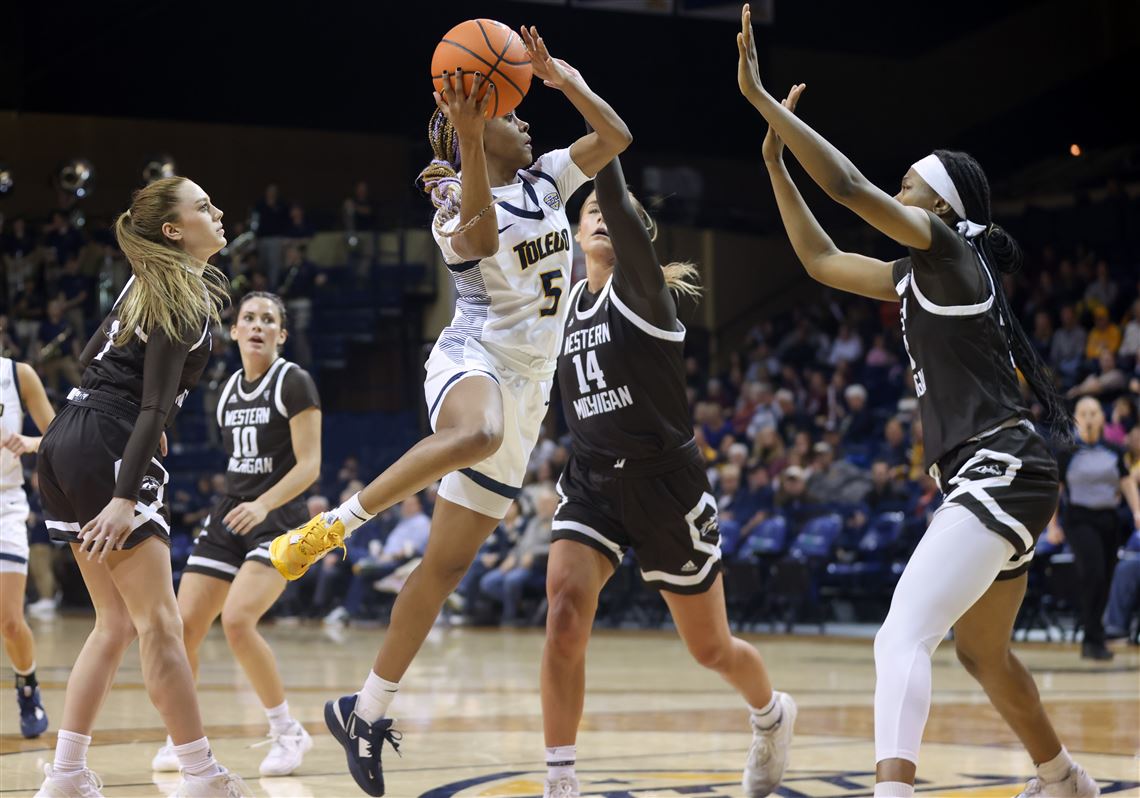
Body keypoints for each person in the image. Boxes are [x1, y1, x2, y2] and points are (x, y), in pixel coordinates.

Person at [736, 9, 1098, 796]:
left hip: (998, 468)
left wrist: (765, 101)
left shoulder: (950, 251)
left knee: (902, 633)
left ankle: (893, 790)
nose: (894, 197)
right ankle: (1066, 779)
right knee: (983, 654)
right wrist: (775, 163)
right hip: (1005, 471)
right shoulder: (916, 276)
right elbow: (824, 259)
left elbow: (849, 187)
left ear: (936, 208)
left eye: (908, 189)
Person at [268, 25, 631, 797]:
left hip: (531, 388)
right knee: (478, 430)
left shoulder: (548, 180)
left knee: (445, 567)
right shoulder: (453, 207)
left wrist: (561, 77)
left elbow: (617, 134)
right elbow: (481, 232)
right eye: (512, 108)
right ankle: (335, 524)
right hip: (473, 360)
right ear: (480, 122)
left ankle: (364, 712)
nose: (527, 116)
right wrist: (468, 143)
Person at [542, 152, 796, 798]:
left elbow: (617, 198)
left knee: (710, 649)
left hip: (665, 484)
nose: (599, 217)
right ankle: (561, 777)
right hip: (593, 480)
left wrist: (593, 134)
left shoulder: (642, 289)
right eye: (588, 212)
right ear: (575, 233)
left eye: (610, 212)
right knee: (564, 613)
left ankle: (771, 714)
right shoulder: (565, 306)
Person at [33, 177, 249, 797]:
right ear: (175, 231)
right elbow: (154, 403)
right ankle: (202, 774)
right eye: (205, 206)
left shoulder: (140, 283)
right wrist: (125, 494)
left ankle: (68, 774)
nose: (219, 210)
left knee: (114, 624)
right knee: (160, 623)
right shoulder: (180, 291)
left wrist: (118, 426)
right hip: (109, 441)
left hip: (70, 433)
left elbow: (91, 358)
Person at [150, 292, 322, 777]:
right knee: (183, 628)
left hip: (281, 515)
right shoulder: (224, 390)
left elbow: (310, 466)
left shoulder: (294, 382)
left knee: (240, 620)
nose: (258, 326)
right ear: (234, 330)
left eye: (269, 320)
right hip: (231, 512)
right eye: (249, 318)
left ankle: (288, 731)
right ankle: (182, 740)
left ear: (281, 335)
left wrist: (264, 503)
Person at [1047, 397, 1140, 660]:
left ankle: (1095, 635)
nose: (1089, 417)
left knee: (1106, 577)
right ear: (1076, 418)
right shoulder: (1067, 453)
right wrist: (1052, 525)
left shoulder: (1113, 450)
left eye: (1094, 412)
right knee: (1094, 573)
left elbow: (1126, 483)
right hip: (1079, 519)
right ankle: (1091, 636)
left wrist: (1137, 511)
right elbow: (1056, 491)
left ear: (1102, 417)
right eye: (1084, 413)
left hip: (1109, 520)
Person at [0, 356, 55, 737]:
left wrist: (31, 442)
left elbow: (56, 434)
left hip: (5, 503)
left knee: (9, 620)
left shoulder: (17, 375)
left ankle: (27, 685)